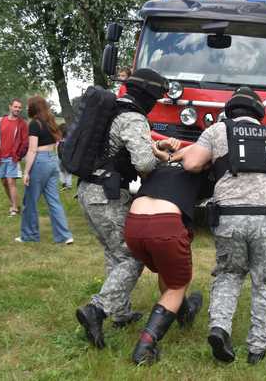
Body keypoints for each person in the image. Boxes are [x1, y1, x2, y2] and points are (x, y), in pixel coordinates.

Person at [181, 87, 266, 365]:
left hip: (229, 216)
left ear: (230, 110)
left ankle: (220, 328)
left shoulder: (216, 131)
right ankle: (257, 349)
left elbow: (191, 163)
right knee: (265, 281)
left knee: (229, 274)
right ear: (258, 113)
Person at [75, 68, 173, 349]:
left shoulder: (113, 111)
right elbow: (143, 164)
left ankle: (121, 312)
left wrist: (155, 145)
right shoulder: (133, 117)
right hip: (107, 195)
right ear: (150, 96)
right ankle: (97, 308)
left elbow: (117, 147)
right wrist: (165, 159)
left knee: (113, 252)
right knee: (132, 257)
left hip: (87, 191)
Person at [125, 159, 208, 365]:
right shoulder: (202, 166)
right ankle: (145, 347)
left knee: (167, 269)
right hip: (165, 224)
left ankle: (185, 312)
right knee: (177, 285)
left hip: (133, 223)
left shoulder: (161, 165)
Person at [14, 96, 73, 244]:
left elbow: (32, 150)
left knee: (30, 201)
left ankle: (29, 235)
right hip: (52, 160)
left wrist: (26, 172)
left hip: (40, 162)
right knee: (54, 201)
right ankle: (65, 236)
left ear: (32, 108)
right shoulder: (51, 122)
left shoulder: (34, 124)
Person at [0, 99, 28, 216]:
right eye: (15, 107)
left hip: (13, 157)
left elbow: (25, 142)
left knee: (10, 181)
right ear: (10, 107)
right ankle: (14, 203)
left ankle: (15, 209)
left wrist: (18, 155)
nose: (17, 109)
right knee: (4, 182)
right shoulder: (0, 121)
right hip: (0, 157)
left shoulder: (22, 123)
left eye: (19, 107)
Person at [57, 123, 72, 191]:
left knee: (62, 171)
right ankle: (67, 185)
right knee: (67, 172)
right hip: (68, 158)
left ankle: (65, 184)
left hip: (62, 158)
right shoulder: (70, 140)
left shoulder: (60, 141)